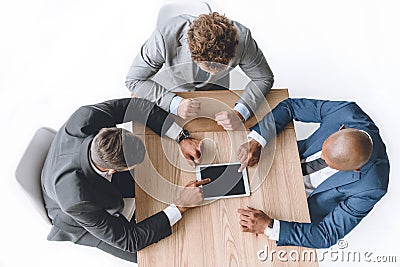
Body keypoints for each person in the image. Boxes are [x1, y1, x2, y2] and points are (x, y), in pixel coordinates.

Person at [41, 97, 210, 263]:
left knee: (161, 180)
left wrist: (181, 137)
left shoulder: (87, 116)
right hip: (74, 217)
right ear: (114, 170)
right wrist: (180, 206)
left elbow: (138, 106)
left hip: (74, 167)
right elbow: (130, 240)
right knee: (161, 257)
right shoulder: (77, 201)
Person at [236, 98, 389, 248]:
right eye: (324, 150)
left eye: (329, 164)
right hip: (279, 163)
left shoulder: (372, 186)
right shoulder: (345, 112)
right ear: (341, 129)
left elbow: (327, 234)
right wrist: (257, 141)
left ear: (355, 169)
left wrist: (269, 226)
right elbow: (291, 107)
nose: (320, 158)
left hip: (294, 207)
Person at [125, 12, 274, 130]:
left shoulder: (243, 39)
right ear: (193, 53)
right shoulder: (163, 37)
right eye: (210, 67)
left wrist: (240, 112)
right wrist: (173, 103)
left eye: (222, 66)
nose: (215, 73)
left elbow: (264, 78)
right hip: (173, 90)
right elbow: (133, 80)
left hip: (216, 93)